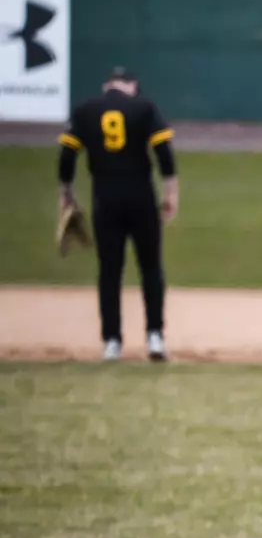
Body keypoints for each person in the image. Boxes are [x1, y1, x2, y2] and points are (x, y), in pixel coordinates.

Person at [57, 67, 180, 362]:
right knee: (151, 267)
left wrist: (67, 194)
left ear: (106, 86)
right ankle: (155, 337)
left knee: (110, 271)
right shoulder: (144, 107)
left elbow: (67, 155)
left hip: (105, 199)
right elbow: (163, 151)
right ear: (132, 86)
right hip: (141, 198)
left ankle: (111, 342)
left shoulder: (86, 110)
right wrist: (170, 193)